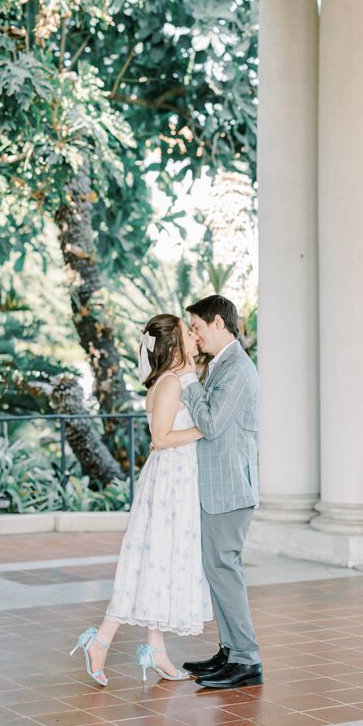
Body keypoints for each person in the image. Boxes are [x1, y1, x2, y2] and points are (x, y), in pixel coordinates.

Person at [70, 313, 212, 686]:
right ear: (174, 345)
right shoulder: (169, 384)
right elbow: (162, 438)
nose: (194, 338)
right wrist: (203, 430)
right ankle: (100, 640)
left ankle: (155, 649)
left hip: (178, 480)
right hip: (170, 484)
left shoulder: (180, 379)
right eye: (187, 333)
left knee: (160, 565)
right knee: (150, 563)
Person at [180, 294, 263, 689]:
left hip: (230, 489)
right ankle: (230, 651)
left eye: (196, 328)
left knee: (225, 571)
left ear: (218, 322)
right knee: (218, 571)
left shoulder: (238, 369)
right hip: (220, 488)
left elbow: (211, 424)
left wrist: (187, 381)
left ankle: (246, 659)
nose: (194, 337)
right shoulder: (222, 364)